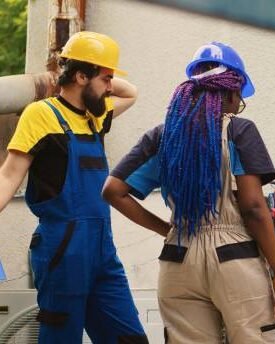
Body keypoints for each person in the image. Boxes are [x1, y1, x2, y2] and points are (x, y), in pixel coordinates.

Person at [102, 41, 275, 343]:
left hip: (178, 259)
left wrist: (168, 230)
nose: (238, 103)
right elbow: (254, 208)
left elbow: (113, 190)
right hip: (234, 258)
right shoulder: (239, 131)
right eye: (239, 96)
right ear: (230, 90)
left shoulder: (164, 136)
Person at [0, 32, 148, 343]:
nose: (110, 87)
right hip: (62, 249)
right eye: (106, 78)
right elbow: (8, 176)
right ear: (81, 76)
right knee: (61, 338)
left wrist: (76, 70)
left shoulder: (95, 118)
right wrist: (70, 70)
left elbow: (131, 92)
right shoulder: (41, 114)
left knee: (129, 338)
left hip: (102, 252)